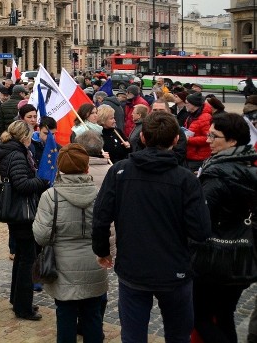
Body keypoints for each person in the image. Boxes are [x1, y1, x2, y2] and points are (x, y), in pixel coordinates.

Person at [92, 111, 211, 342]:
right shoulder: (186, 179)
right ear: (176, 139)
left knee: (134, 336)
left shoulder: (119, 172)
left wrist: (102, 251)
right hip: (173, 269)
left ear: (143, 138)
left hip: (135, 268)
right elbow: (201, 231)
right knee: (177, 335)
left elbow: (100, 218)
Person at [191, 112, 257, 342]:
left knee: (200, 316)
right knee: (224, 313)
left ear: (232, 141)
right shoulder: (247, 165)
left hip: (214, 258)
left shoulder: (218, 174)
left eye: (214, 136)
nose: (208, 139)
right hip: (243, 254)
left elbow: (200, 218)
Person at [33, 144, 108, 343]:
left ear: (60, 168)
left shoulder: (50, 197)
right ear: (86, 168)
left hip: (62, 265)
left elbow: (41, 236)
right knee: (92, 316)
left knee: (65, 316)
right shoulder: (100, 195)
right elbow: (109, 231)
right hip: (94, 262)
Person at [0, 120, 49, 321]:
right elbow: (22, 185)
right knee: (27, 259)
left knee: (21, 257)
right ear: (24, 137)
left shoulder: (12, 151)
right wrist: (42, 180)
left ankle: (17, 299)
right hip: (22, 213)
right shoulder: (16, 154)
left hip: (18, 212)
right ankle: (23, 307)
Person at [183, 93, 212, 172]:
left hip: (199, 157)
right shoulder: (191, 115)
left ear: (193, 104)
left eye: (187, 103)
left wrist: (189, 140)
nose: (185, 105)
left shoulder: (205, 117)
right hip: (190, 154)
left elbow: (208, 137)